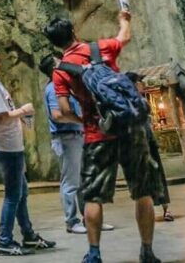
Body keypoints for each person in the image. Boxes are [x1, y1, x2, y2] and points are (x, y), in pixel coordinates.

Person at [44, 11, 163, 263]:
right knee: (143, 192)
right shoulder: (100, 48)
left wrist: (85, 121)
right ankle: (147, 251)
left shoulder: (61, 72)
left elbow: (63, 111)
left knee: (93, 196)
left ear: (55, 44)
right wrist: (124, 19)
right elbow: (125, 37)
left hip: (97, 134)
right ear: (74, 31)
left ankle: (94, 253)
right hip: (131, 130)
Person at [0, 44, 56, 256]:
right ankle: (5, 241)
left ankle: (28, 235)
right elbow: (1, 116)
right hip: (6, 147)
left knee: (21, 192)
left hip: (6, 145)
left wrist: (19, 116)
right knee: (12, 195)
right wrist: (23, 110)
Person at [39, 54, 117, 235]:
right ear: (54, 69)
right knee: (71, 181)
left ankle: (91, 218)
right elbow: (57, 115)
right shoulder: (53, 88)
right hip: (67, 137)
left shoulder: (67, 86)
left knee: (85, 180)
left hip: (78, 135)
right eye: (60, 62)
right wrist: (81, 120)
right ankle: (71, 221)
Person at [126, 71, 174, 222]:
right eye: (139, 82)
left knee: (157, 175)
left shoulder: (140, 100)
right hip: (137, 145)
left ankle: (165, 208)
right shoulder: (127, 101)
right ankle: (147, 212)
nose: (143, 85)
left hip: (148, 142)